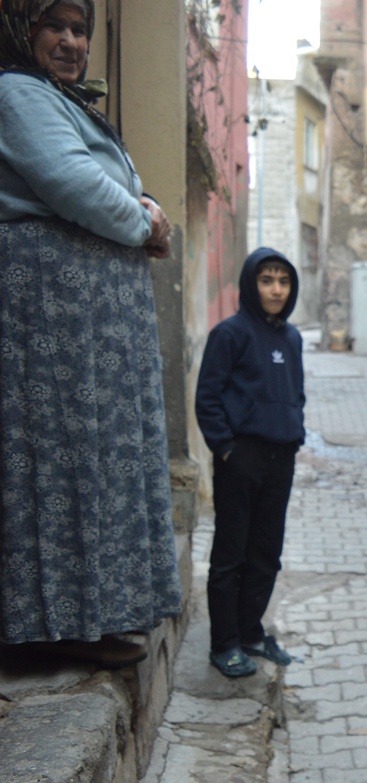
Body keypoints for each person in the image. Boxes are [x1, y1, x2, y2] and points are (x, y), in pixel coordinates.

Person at [0, 0, 178, 669]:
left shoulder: (56, 98)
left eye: (80, 30)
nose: (72, 42)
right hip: (53, 319)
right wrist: (145, 224)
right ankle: (56, 625)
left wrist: (146, 205)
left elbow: (110, 179)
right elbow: (73, 182)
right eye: (56, 26)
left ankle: (96, 613)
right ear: (22, 29)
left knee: (97, 460)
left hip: (85, 323)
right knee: (63, 460)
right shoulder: (17, 93)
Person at [194, 248, 304, 678]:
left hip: (280, 459)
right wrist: (226, 448)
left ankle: (250, 633)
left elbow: (296, 394)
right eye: (266, 280)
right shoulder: (229, 334)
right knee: (231, 554)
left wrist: (295, 433)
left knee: (266, 553)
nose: (276, 290)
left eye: (283, 281)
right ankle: (224, 644)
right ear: (250, 285)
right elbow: (207, 398)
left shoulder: (292, 338)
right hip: (240, 459)